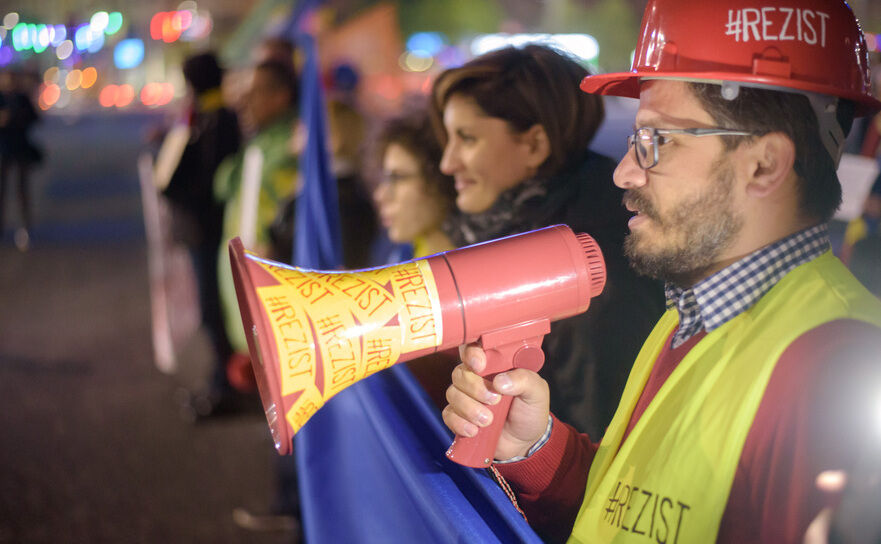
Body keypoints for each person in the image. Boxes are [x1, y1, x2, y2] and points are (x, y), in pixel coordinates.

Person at [441, 1, 881, 543]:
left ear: (764, 165)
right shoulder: (693, 313)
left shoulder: (841, 368)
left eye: (656, 141)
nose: (624, 172)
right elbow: (637, 510)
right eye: (634, 140)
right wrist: (536, 449)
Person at [431, 44, 665, 438]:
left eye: (467, 138)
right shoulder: (526, 228)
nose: (447, 163)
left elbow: (598, 427)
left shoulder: (587, 268)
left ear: (535, 144)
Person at [191, 58, 299, 418]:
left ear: (282, 96)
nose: (243, 102)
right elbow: (224, 186)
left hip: (270, 279)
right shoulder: (259, 141)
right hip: (246, 275)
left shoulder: (292, 145)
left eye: (255, 93)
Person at [162, 52, 242, 418]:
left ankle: (227, 385)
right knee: (212, 308)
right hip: (204, 229)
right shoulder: (209, 117)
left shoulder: (216, 120)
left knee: (214, 308)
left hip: (207, 230)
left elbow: (208, 183)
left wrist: (171, 185)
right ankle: (221, 379)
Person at [372, 104, 458, 407]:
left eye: (398, 178)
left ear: (441, 180)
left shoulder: (464, 277)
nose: (382, 194)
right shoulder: (403, 255)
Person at [0, 69, 42, 251]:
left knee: (21, 191)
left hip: (20, 150)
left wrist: (16, 118)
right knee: (2, 192)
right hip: (3, 150)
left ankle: (25, 228)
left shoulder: (21, 98)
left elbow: (35, 118)